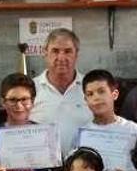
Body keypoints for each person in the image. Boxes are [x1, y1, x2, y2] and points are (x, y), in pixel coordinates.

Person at [29, 28, 92, 157]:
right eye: (55, 51)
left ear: (76, 54)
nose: (61, 57)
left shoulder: (91, 87)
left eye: (68, 51)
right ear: (45, 53)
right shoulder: (30, 88)